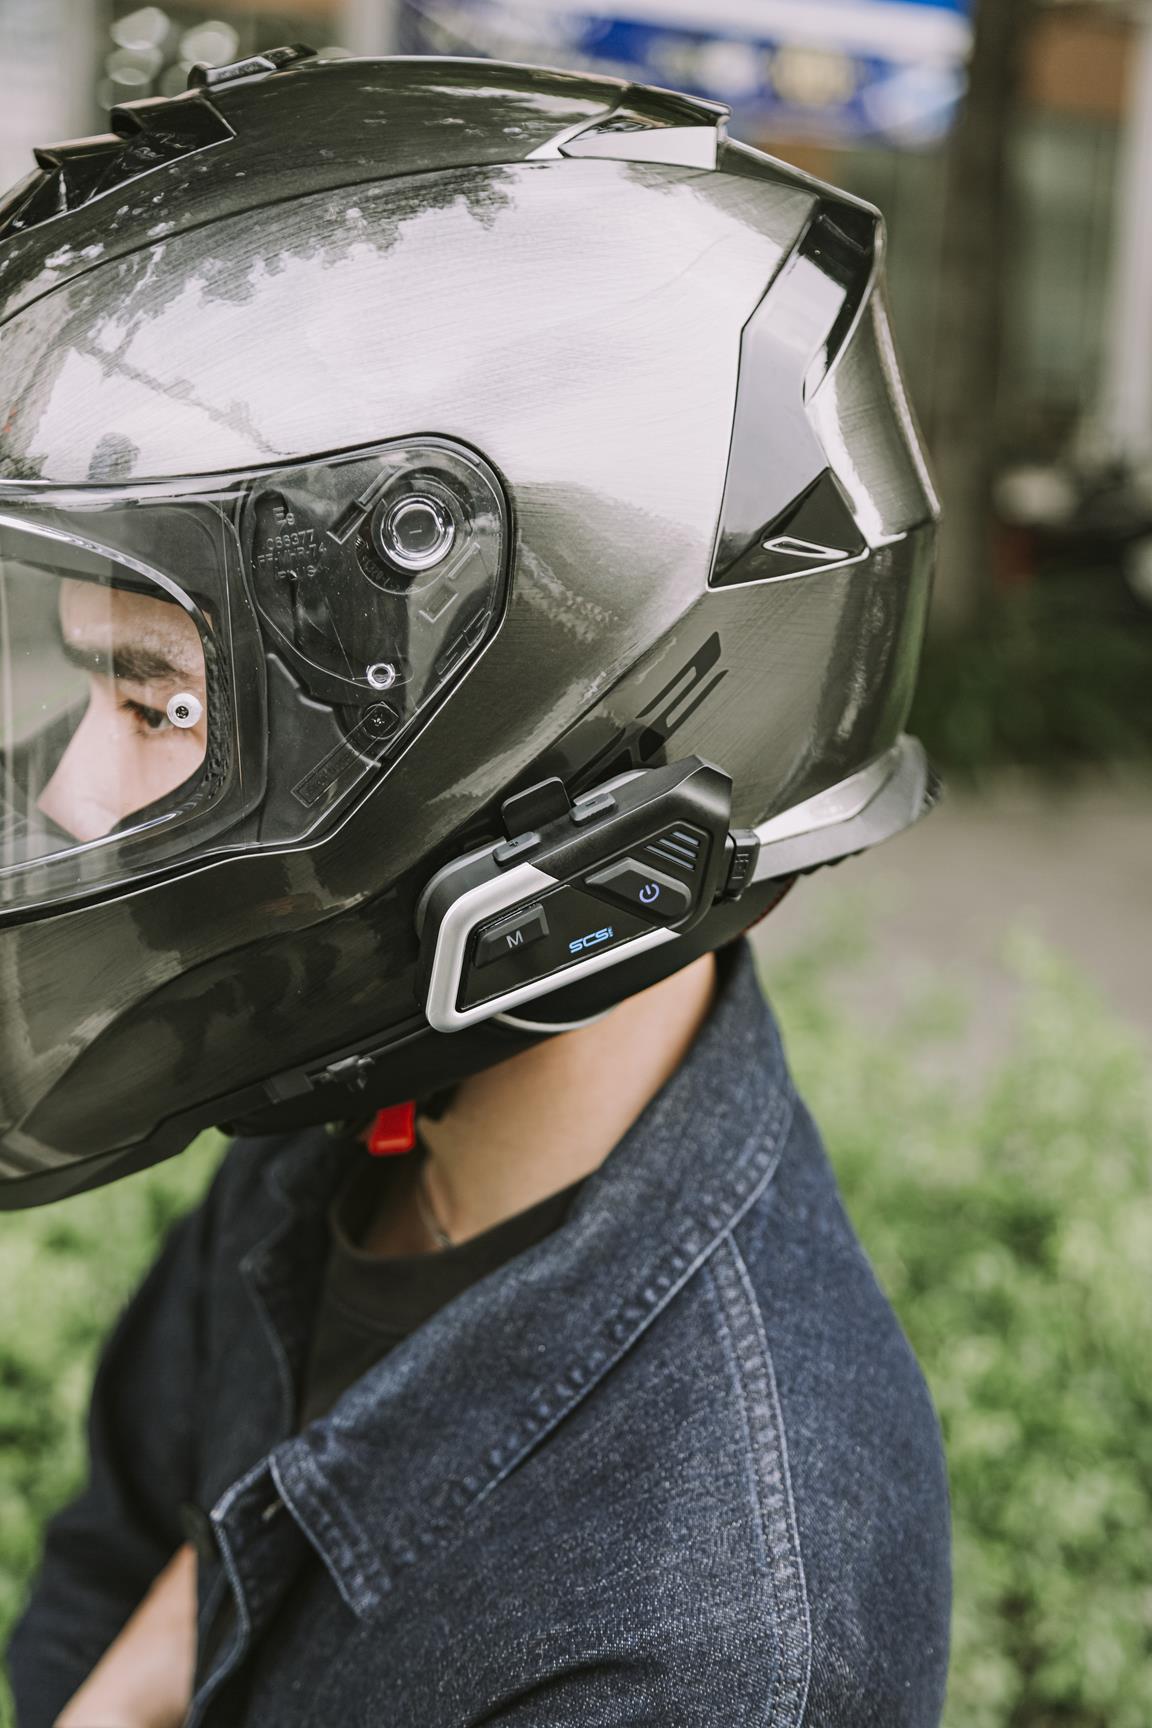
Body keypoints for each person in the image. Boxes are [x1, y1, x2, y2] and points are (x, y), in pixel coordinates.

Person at [0, 48, 951, 1727]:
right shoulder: (355, 1115)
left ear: (511, 743)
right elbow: (126, 1534)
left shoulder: (711, 1652)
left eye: (159, 704)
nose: (74, 791)